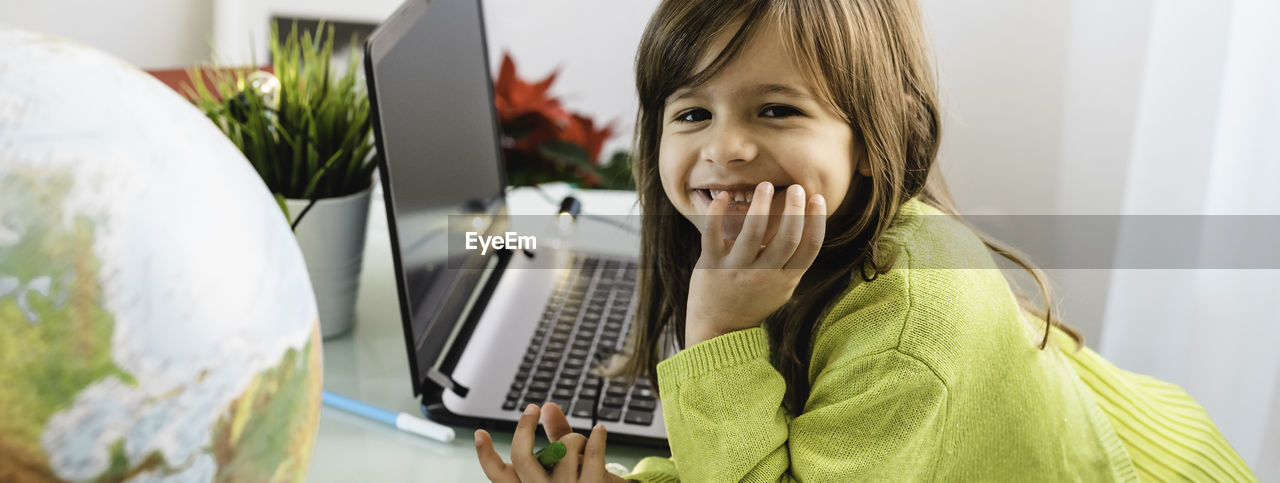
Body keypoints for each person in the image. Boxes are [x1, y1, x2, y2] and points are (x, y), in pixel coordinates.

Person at [474, 0, 1256, 481]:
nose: (726, 147)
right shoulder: (776, 248)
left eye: (775, 109)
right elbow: (802, 451)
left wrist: (718, 333)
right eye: (692, 112)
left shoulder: (906, 331)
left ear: (870, 136)